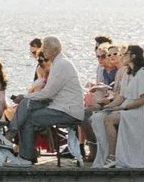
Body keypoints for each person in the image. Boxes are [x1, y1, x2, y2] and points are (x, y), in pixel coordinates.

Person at [8, 35, 86, 165]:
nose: (42, 51)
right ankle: (16, 141)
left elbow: (49, 93)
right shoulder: (60, 63)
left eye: (44, 48)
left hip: (67, 111)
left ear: (52, 49)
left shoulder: (61, 64)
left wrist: (25, 96)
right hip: (60, 106)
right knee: (26, 105)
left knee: (29, 118)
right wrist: (25, 98)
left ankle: (24, 155)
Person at [93, 43, 144, 166]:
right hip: (127, 107)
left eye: (125, 54)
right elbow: (122, 96)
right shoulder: (127, 72)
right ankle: (106, 154)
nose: (122, 56)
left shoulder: (143, 73)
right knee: (98, 117)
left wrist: (124, 108)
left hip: (140, 110)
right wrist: (106, 107)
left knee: (109, 120)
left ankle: (112, 156)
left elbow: (143, 99)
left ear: (132, 56)